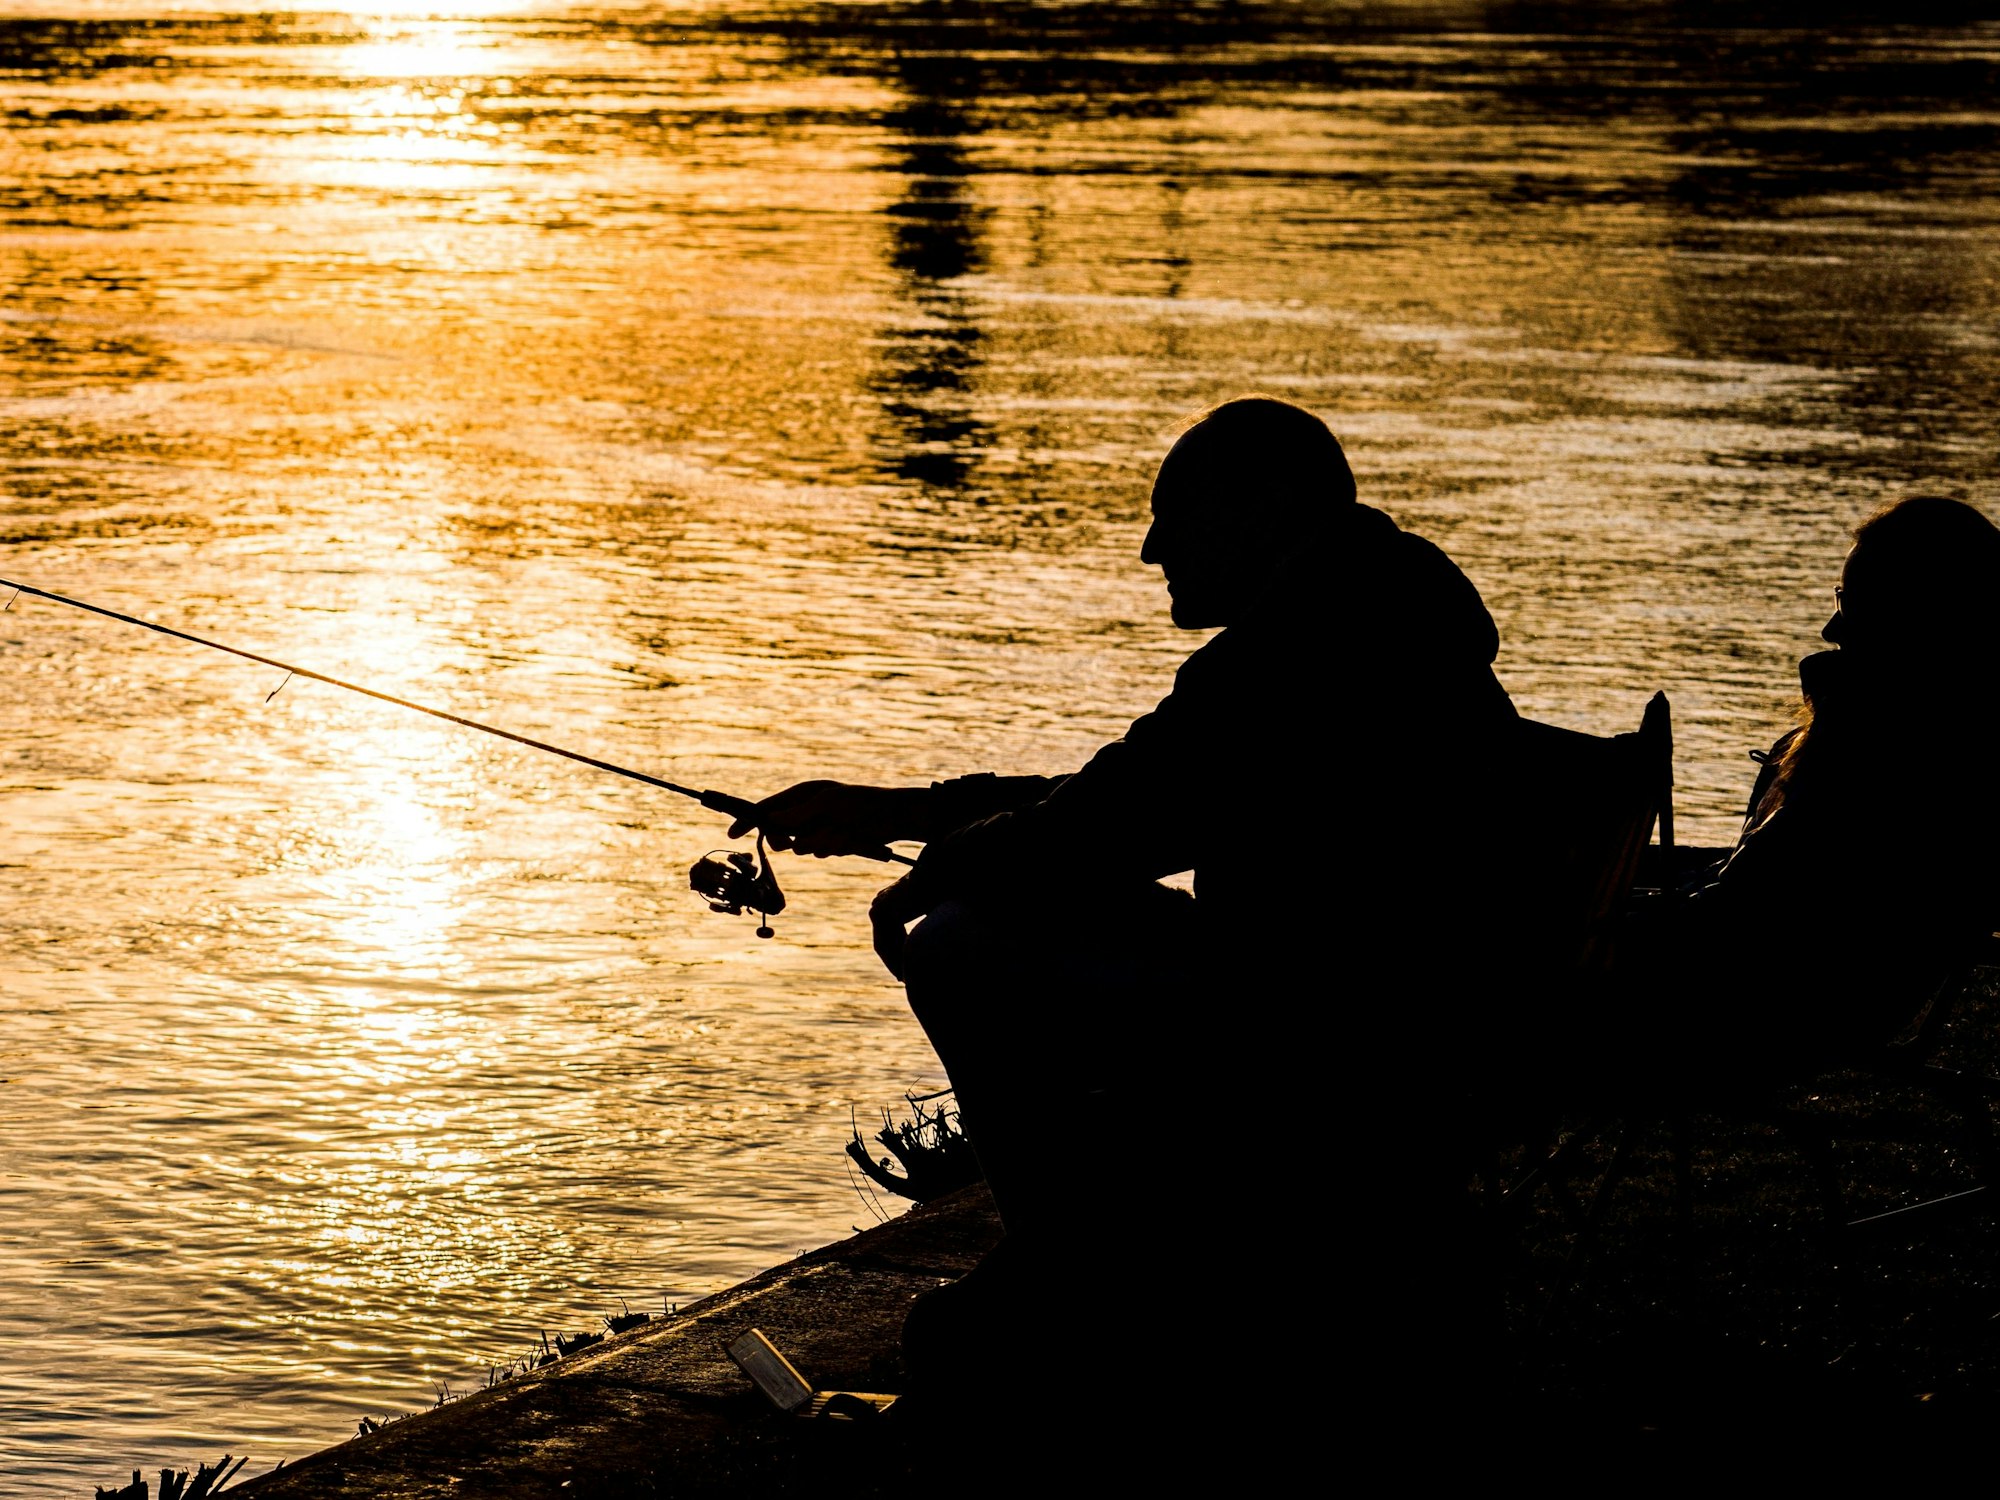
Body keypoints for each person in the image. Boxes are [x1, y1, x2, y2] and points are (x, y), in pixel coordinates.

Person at [730, 395, 1520, 1414]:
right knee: (1003, 908)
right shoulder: (1380, 611)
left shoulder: (1300, 648)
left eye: (1174, 516)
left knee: (959, 948)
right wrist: (901, 813)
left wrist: (935, 868)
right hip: (1388, 1001)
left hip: (1326, 1034)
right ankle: (1101, 1259)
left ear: (1267, 507)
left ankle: (1074, 1275)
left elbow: (1101, 826)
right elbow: (1125, 796)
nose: (1152, 549)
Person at [1605, 496, 2000, 1079]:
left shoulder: (1881, 756)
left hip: (1759, 1010)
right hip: (1788, 991)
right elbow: (1755, 883)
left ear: (1921, 615)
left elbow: (1744, 915)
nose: (1831, 627)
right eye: (1840, 598)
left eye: (1857, 603)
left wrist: (1603, 918)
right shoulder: (1935, 741)